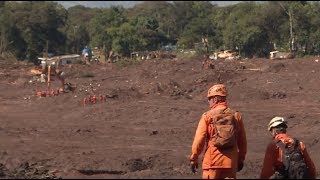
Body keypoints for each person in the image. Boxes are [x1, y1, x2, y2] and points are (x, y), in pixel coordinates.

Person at [189, 84, 247, 179]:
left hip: (212, 163)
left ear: (215, 99)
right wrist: (241, 159)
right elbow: (242, 141)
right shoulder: (236, 116)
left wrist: (194, 158)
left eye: (209, 99)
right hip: (230, 163)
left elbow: (199, 139)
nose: (208, 102)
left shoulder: (207, 116)